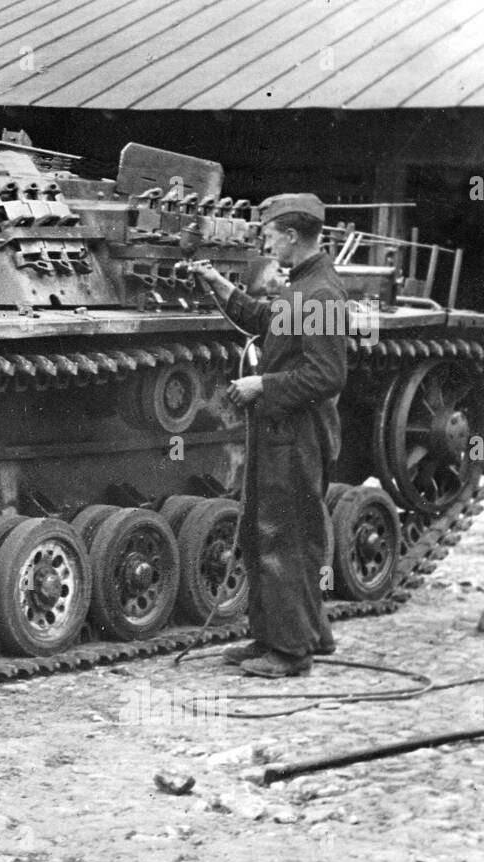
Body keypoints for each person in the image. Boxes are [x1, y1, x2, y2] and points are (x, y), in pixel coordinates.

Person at [190, 194, 348, 678]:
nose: (265, 242)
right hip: (283, 431)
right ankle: (294, 635)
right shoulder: (303, 287)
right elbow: (270, 324)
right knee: (273, 533)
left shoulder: (320, 295)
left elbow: (327, 376)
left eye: (270, 235)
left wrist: (263, 384)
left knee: (287, 537)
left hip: (297, 433)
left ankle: (291, 651)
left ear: (293, 236)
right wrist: (222, 287)